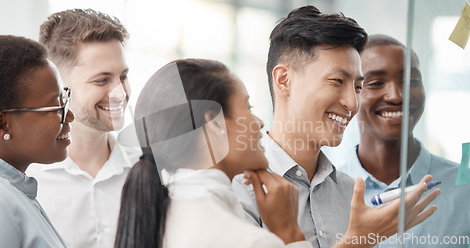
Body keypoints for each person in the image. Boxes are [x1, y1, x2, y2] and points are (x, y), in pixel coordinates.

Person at [232, 5, 440, 248]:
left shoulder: (350, 193)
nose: (352, 103)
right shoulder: (236, 187)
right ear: (284, 80)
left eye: (358, 87)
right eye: (337, 81)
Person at [115, 59, 313, 248]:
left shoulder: (151, 218)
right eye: (247, 107)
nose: (259, 122)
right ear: (215, 123)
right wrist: (290, 234)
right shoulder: (249, 241)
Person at [338, 34, 470, 247]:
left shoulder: (465, 187)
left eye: (412, 81)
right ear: (350, 95)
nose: (396, 96)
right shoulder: (324, 190)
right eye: (376, 82)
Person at [25, 9, 140, 248]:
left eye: (124, 76)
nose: (120, 93)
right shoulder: (24, 181)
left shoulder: (151, 171)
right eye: (102, 80)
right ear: (59, 87)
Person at [0, 35, 73, 247]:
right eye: (56, 108)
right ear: (2, 125)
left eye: (65, 101)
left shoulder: (7, 187)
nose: (69, 116)